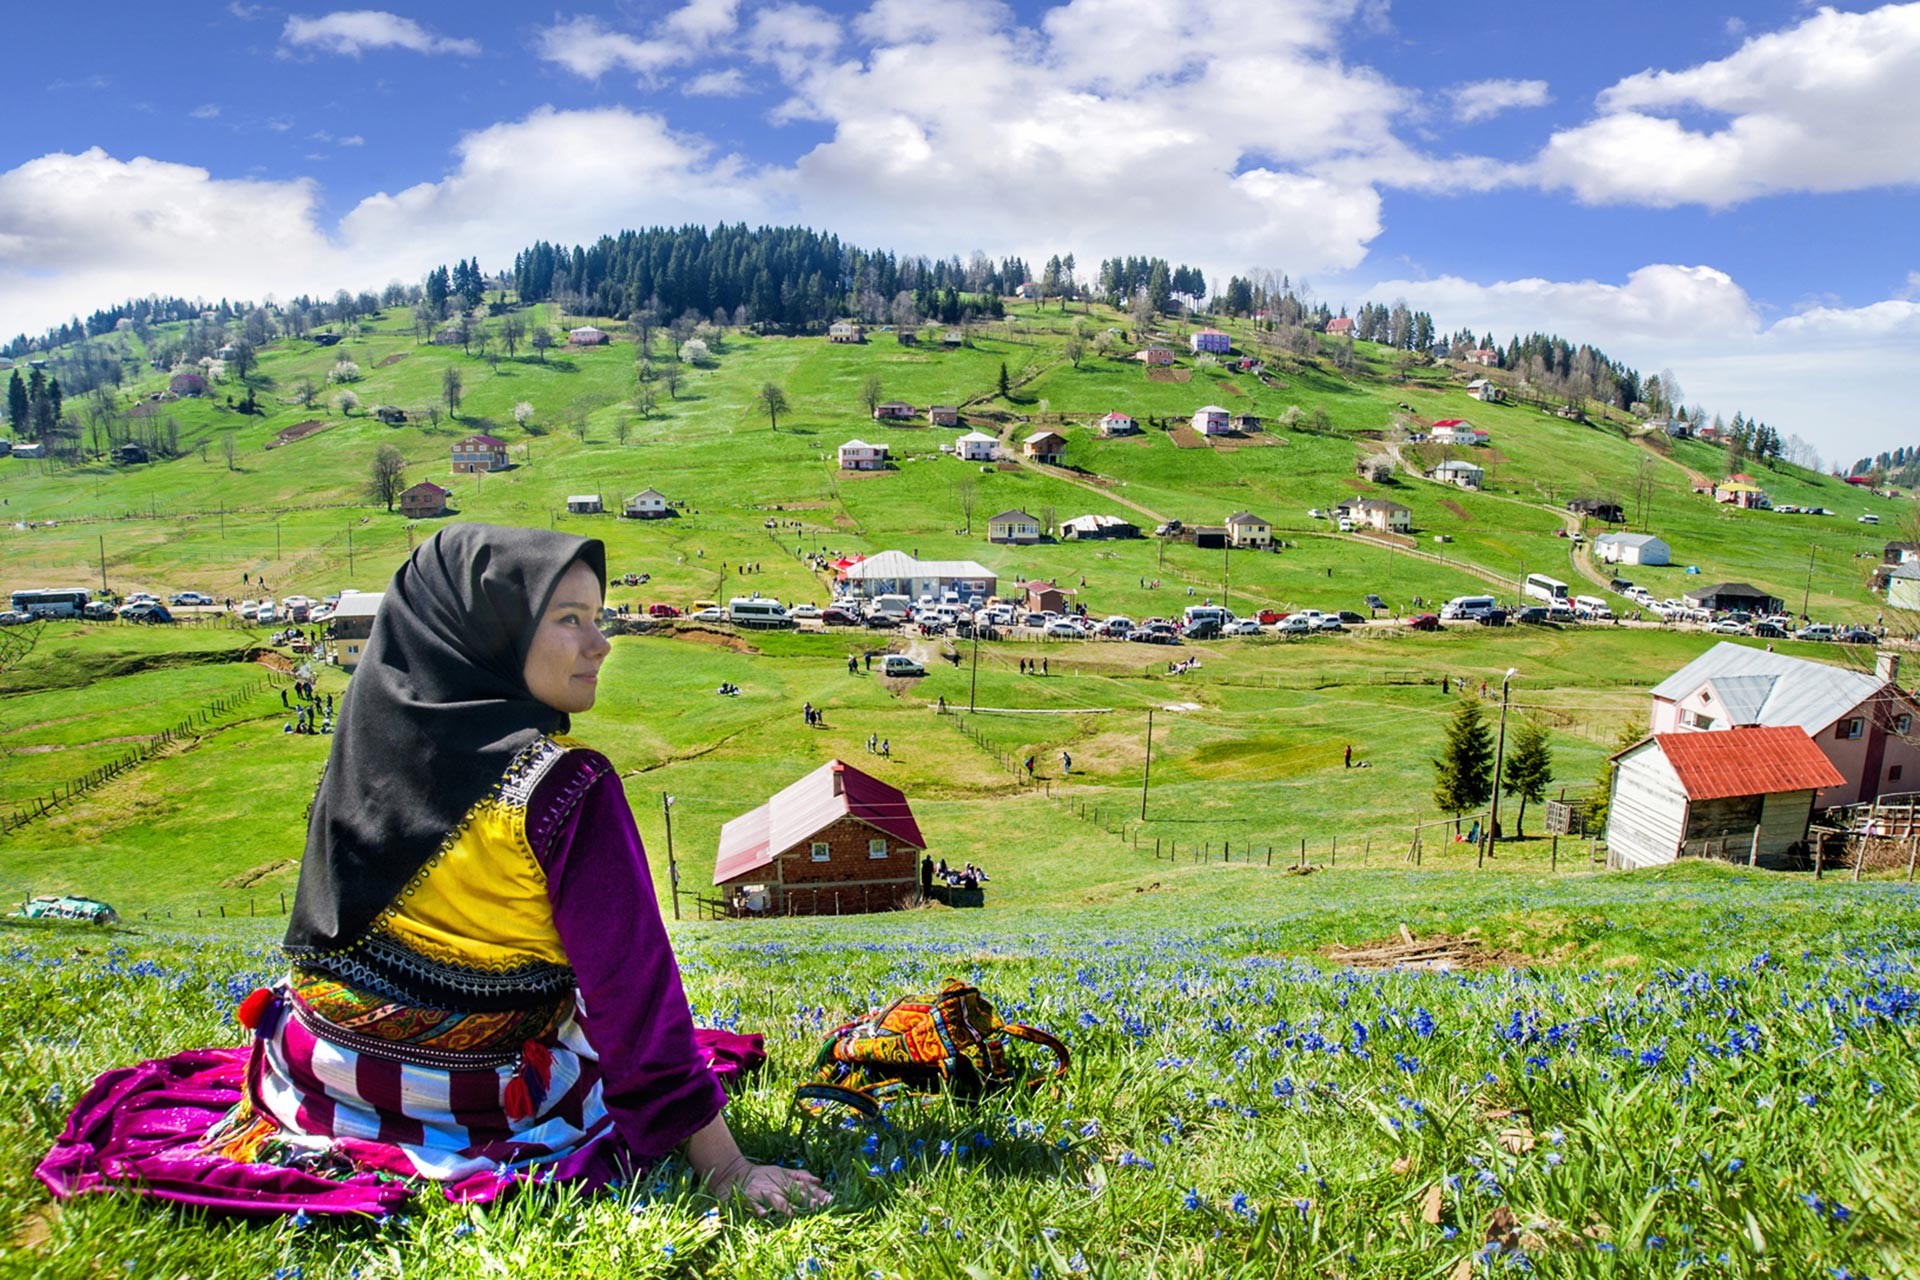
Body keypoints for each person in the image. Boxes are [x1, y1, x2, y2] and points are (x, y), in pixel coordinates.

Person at [38, 525, 828, 1220]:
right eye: (568, 620)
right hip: (476, 1103)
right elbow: (635, 999)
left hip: (315, 1074)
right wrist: (724, 1163)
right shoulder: (564, 788)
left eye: (599, 619)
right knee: (591, 1053)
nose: (601, 644)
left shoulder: (374, 740)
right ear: (490, 634)